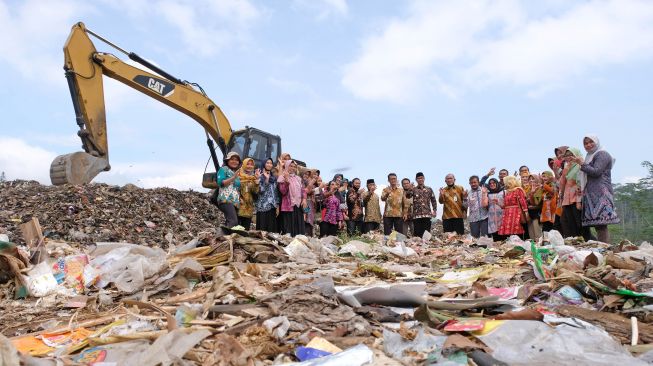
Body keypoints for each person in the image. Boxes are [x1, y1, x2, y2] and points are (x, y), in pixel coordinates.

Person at [574, 134, 620, 243]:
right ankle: (603, 247)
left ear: (596, 142)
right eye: (585, 143)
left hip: (601, 193)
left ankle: (605, 247)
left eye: (591, 142)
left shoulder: (602, 154)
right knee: (597, 224)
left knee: (601, 224)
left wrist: (582, 164)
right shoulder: (589, 156)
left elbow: (596, 171)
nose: (588, 145)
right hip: (592, 194)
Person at [559, 148, 592, 240]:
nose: (568, 158)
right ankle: (576, 242)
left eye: (571, 155)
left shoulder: (579, 166)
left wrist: (578, 201)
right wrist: (564, 171)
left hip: (576, 196)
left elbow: (580, 184)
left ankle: (587, 241)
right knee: (570, 222)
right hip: (567, 197)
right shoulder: (567, 167)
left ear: (576, 155)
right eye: (566, 156)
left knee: (580, 222)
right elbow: (562, 183)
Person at [277, 160, 307, 236]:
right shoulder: (282, 177)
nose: (293, 168)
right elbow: (283, 191)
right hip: (288, 206)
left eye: (294, 166)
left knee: (299, 227)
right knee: (289, 228)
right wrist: (287, 181)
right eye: (291, 166)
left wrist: (304, 199)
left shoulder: (298, 178)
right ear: (287, 166)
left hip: (298, 206)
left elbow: (303, 190)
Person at [406, 172, 437, 238]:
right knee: (417, 234)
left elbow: (433, 200)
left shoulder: (429, 189)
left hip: (427, 215)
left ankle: (426, 247)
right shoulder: (413, 189)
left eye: (421, 178)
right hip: (416, 216)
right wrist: (410, 189)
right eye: (418, 178)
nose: (420, 179)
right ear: (416, 180)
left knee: (426, 234)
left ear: (424, 179)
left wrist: (434, 210)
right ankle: (418, 247)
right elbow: (408, 196)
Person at [216, 152, 242, 228]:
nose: (234, 161)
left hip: (235, 202)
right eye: (232, 159)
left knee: (234, 223)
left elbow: (236, 188)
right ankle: (224, 238)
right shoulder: (223, 169)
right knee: (233, 221)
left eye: (236, 160)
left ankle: (223, 237)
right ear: (227, 160)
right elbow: (221, 183)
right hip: (225, 200)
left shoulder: (235, 173)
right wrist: (233, 178)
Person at [255, 158, 278, 232]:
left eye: (271, 163)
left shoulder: (273, 178)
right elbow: (260, 191)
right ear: (264, 164)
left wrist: (277, 205)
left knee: (271, 229)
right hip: (262, 206)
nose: (269, 164)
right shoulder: (259, 176)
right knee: (262, 229)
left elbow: (275, 192)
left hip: (272, 206)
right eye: (267, 163)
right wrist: (266, 180)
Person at [237, 158, 260, 229]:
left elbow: (255, 192)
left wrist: (256, 183)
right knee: (236, 229)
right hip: (239, 206)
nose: (249, 166)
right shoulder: (238, 176)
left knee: (245, 230)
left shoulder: (253, 178)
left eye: (251, 164)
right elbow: (234, 189)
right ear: (244, 164)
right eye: (248, 164)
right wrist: (238, 198)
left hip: (249, 208)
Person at [526, 174, 543, 240]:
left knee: (538, 234)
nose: (531, 181)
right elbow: (526, 203)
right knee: (531, 235)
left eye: (533, 179)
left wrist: (532, 194)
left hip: (537, 214)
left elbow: (536, 203)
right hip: (530, 214)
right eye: (529, 179)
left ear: (537, 180)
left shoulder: (540, 189)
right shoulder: (528, 190)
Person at [303, 170, 318, 236]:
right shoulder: (304, 182)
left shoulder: (312, 182)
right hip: (307, 202)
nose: (315, 176)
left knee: (309, 219)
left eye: (307, 174)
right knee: (307, 219)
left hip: (311, 204)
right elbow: (307, 191)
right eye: (314, 174)